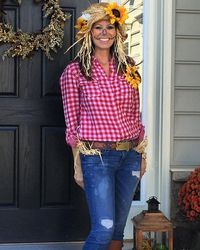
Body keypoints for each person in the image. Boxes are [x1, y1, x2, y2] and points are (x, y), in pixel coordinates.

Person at [60, 2, 147, 250]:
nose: (104, 32)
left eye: (110, 27)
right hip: (96, 157)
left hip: (130, 154)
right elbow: (72, 124)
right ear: (88, 32)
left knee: (118, 227)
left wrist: (141, 154)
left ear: (117, 32)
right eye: (98, 27)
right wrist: (77, 164)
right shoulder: (75, 72)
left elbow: (134, 113)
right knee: (104, 227)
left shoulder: (128, 66)